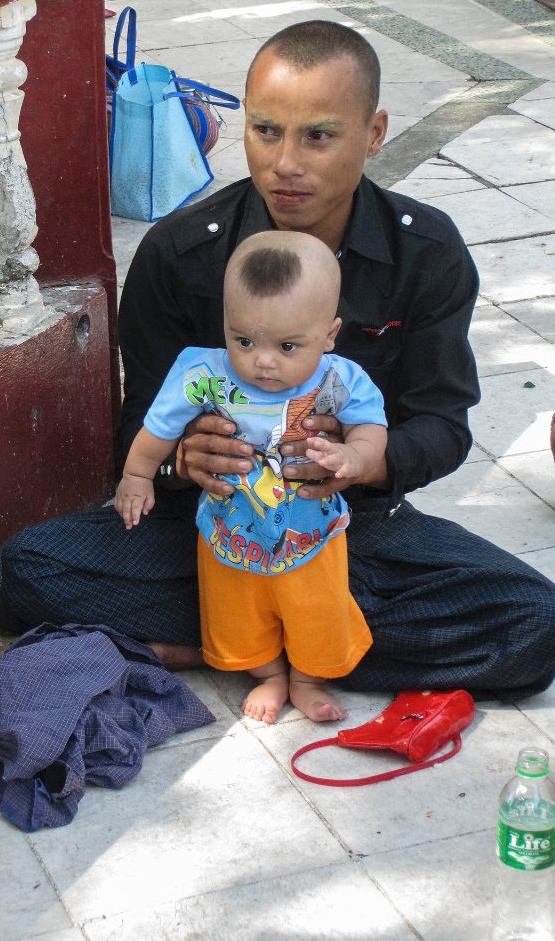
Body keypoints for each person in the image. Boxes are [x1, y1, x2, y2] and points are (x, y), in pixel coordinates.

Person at [0, 19, 555, 703]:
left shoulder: (427, 253)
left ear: (373, 134)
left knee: (536, 626)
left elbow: (443, 426)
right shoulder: (180, 254)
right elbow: (138, 425)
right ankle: (284, 638)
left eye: (318, 135)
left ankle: (242, 646)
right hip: (212, 533)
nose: (286, 163)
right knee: (27, 571)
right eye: (265, 131)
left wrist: (360, 458)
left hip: (356, 530)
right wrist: (182, 459)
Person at [115, 231, 387, 723]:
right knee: (235, 614)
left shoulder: (338, 379)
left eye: (287, 345)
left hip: (312, 534)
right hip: (228, 532)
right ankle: (268, 673)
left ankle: (306, 678)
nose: (263, 360)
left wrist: (357, 457)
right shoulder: (203, 374)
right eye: (244, 340)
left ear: (329, 335)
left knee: (318, 611)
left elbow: (371, 427)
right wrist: (138, 474)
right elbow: (158, 428)